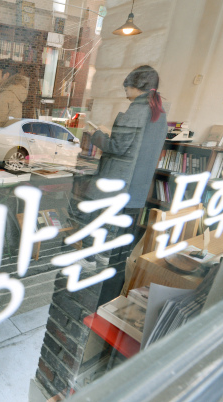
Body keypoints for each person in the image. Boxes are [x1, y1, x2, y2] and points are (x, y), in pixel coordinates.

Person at [71, 65, 167, 269]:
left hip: (117, 178)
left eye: (127, 86)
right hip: (136, 183)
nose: (125, 90)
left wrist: (98, 136)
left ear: (136, 86)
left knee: (97, 216)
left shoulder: (137, 110)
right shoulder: (158, 113)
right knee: (114, 221)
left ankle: (89, 258)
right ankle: (105, 256)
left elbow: (117, 147)